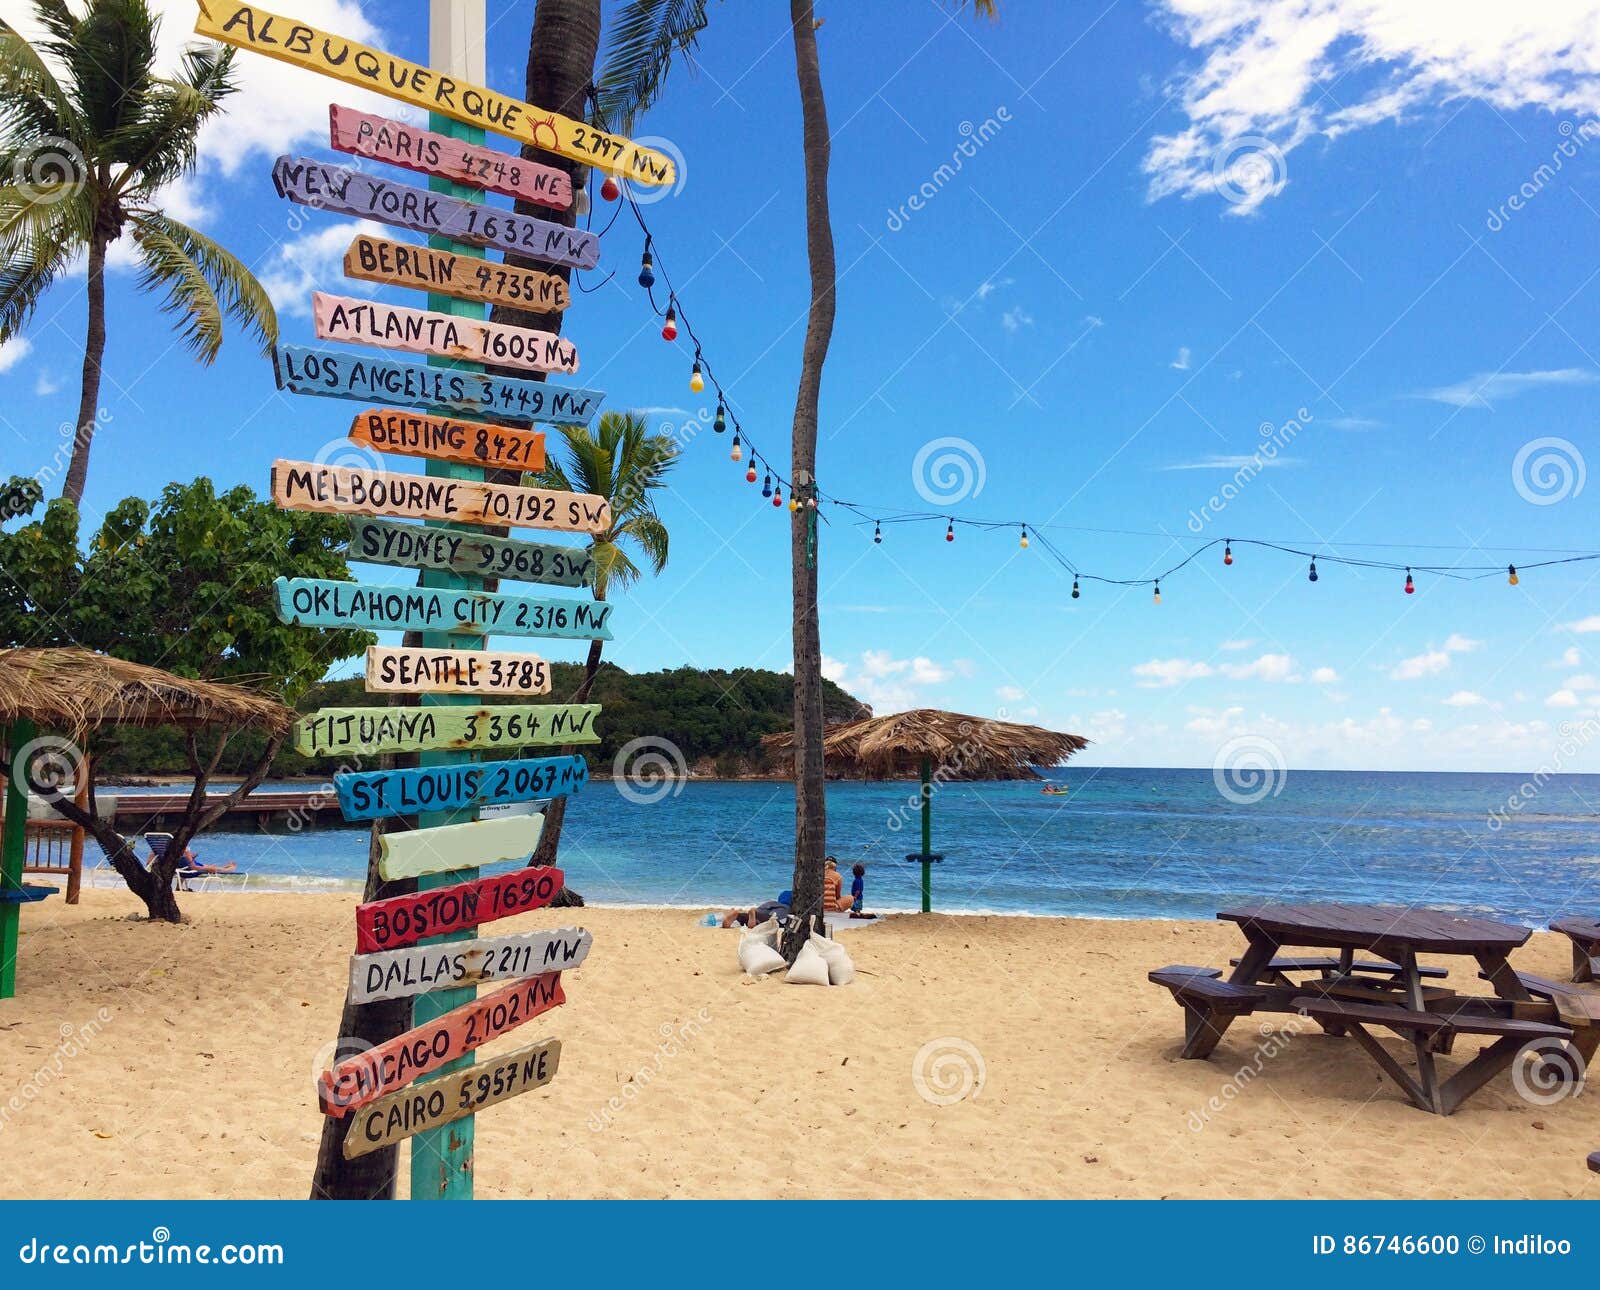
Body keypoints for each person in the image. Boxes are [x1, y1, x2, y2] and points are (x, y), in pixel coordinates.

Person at [721, 898, 788, 929]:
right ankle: (752, 918)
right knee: (761, 922)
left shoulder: (772, 903)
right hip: (769, 917)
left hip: (758, 912)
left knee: (744, 917)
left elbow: (761, 908)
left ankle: (737, 915)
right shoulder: (787, 908)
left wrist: (756, 912)